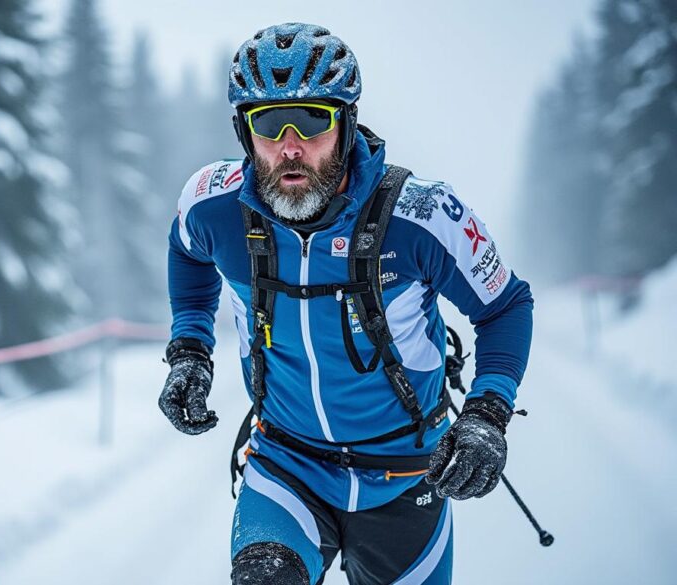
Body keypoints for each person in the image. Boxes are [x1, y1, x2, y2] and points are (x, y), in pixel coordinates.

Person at [159, 23, 534, 585]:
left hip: (408, 476)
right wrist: (191, 346)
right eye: (268, 124)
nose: (290, 145)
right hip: (286, 465)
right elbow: (185, 251)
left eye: (312, 120)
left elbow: (505, 306)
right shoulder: (213, 208)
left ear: (346, 122)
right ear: (244, 133)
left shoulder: (422, 217)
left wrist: (487, 414)